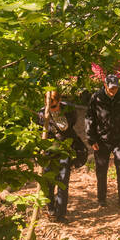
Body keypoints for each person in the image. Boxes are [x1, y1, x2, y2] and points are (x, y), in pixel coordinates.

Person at [34, 88, 88, 223]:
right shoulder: (41, 113)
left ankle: (61, 213)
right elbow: (40, 132)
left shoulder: (68, 110)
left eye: (54, 105)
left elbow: (71, 125)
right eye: (49, 105)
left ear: (59, 101)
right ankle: (51, 208)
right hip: (49, 151)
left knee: (63, 179)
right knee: (49, 180)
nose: (51, 108)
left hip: (65, 148)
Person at [85, 72, 120, 209]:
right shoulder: (96, 97)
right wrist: (91, 138)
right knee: (101, 170)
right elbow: (89, 119)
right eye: (111, 88)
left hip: (119, 138)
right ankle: (102, 200)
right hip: (101, 139)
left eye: (116, 88)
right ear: (105, 86)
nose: (114, 90)